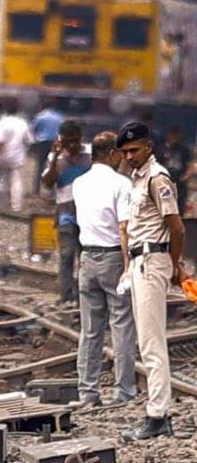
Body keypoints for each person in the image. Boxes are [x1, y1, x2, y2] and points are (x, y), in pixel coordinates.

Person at [117, 121, 190, 441]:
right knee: (147, 341)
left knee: (151, 343)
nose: (129, 156)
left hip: (152, 261)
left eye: (134, 150)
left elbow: (177, 228)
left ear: (149, 147)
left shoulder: (157, 178)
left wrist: (176, 265)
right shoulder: (138, 178)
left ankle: (158, 415)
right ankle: (157, 412)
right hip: (141, 261)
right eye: (125, 151)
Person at [71, 132, 137, 408]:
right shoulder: (121, 184)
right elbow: (124, 227)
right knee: (121, 325)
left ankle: (88, 393)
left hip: (87, 257)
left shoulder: (79, 182)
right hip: (112, 257)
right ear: (112, 153)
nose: (123, 158)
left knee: (90, 330)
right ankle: (123, 392)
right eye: (121, 153)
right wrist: (128, 265)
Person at [40, 120, 92, 304]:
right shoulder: (55, 158)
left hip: (90, 214)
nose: (71, 146)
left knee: (86, 255)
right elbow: (47, 182)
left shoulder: (91, 154)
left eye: (74, 141)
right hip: (66, 213)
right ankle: (66, 294)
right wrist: (55, 157)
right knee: (67, 254)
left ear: (81, 139)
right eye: (67, 141)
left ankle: (84, 294)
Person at [0, 101, 31, 213]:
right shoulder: (23, 123)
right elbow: (29, 140)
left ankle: (0, 205)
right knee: (16, 181)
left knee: (2, 181)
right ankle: (16, 206)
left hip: (3, 155)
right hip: (17, 156)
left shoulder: (2, 123)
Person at [30, 100, 66, 189]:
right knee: (54, 166)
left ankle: (36, 189)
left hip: (42, 142)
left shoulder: (40, 116)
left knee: (40, 165)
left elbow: (33, 129)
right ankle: (54, 189)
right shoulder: (60, 117)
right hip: (55, 143)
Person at [160, 126, 193, 213]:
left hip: (180, 184)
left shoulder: (184, 150)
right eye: (172, 135)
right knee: (165, 207)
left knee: (179, 207)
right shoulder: (161, 149)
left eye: (176, 136)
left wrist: (186, 176)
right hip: (165, 183)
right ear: (168, 136)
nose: (174, 138)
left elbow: (189, 165)